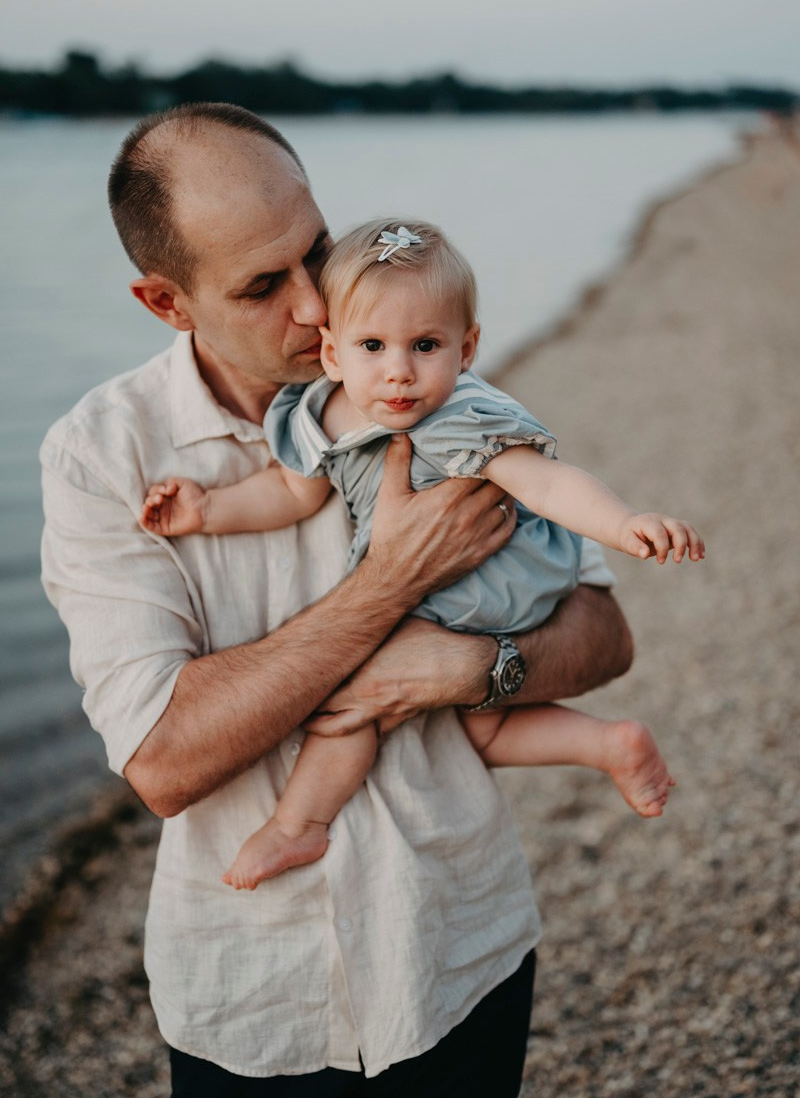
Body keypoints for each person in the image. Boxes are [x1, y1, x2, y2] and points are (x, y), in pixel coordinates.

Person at [41, 102, 634, 1096]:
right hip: (257, 991)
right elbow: (163, 761)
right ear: (166, 302)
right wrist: (390, 582)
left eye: (314, 250)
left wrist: (473, 667)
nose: (318, 306)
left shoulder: (420, 379)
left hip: (460, 939)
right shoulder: (102, 458)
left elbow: (604, 633)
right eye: (262, 286)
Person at [141, 216, 701, 892]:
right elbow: (288, 492)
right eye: (372, 346)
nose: (399, 372)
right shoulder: (319, 412)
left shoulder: (460, 416)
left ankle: (298, 824)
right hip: (442, 589)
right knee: (478, 732)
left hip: (491, 578)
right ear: (332, 355)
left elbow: (545, 483)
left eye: (426, 345)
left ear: (467, 349)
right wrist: (207, 510)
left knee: (350, 699)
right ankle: (608, 743)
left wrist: (624, 522)